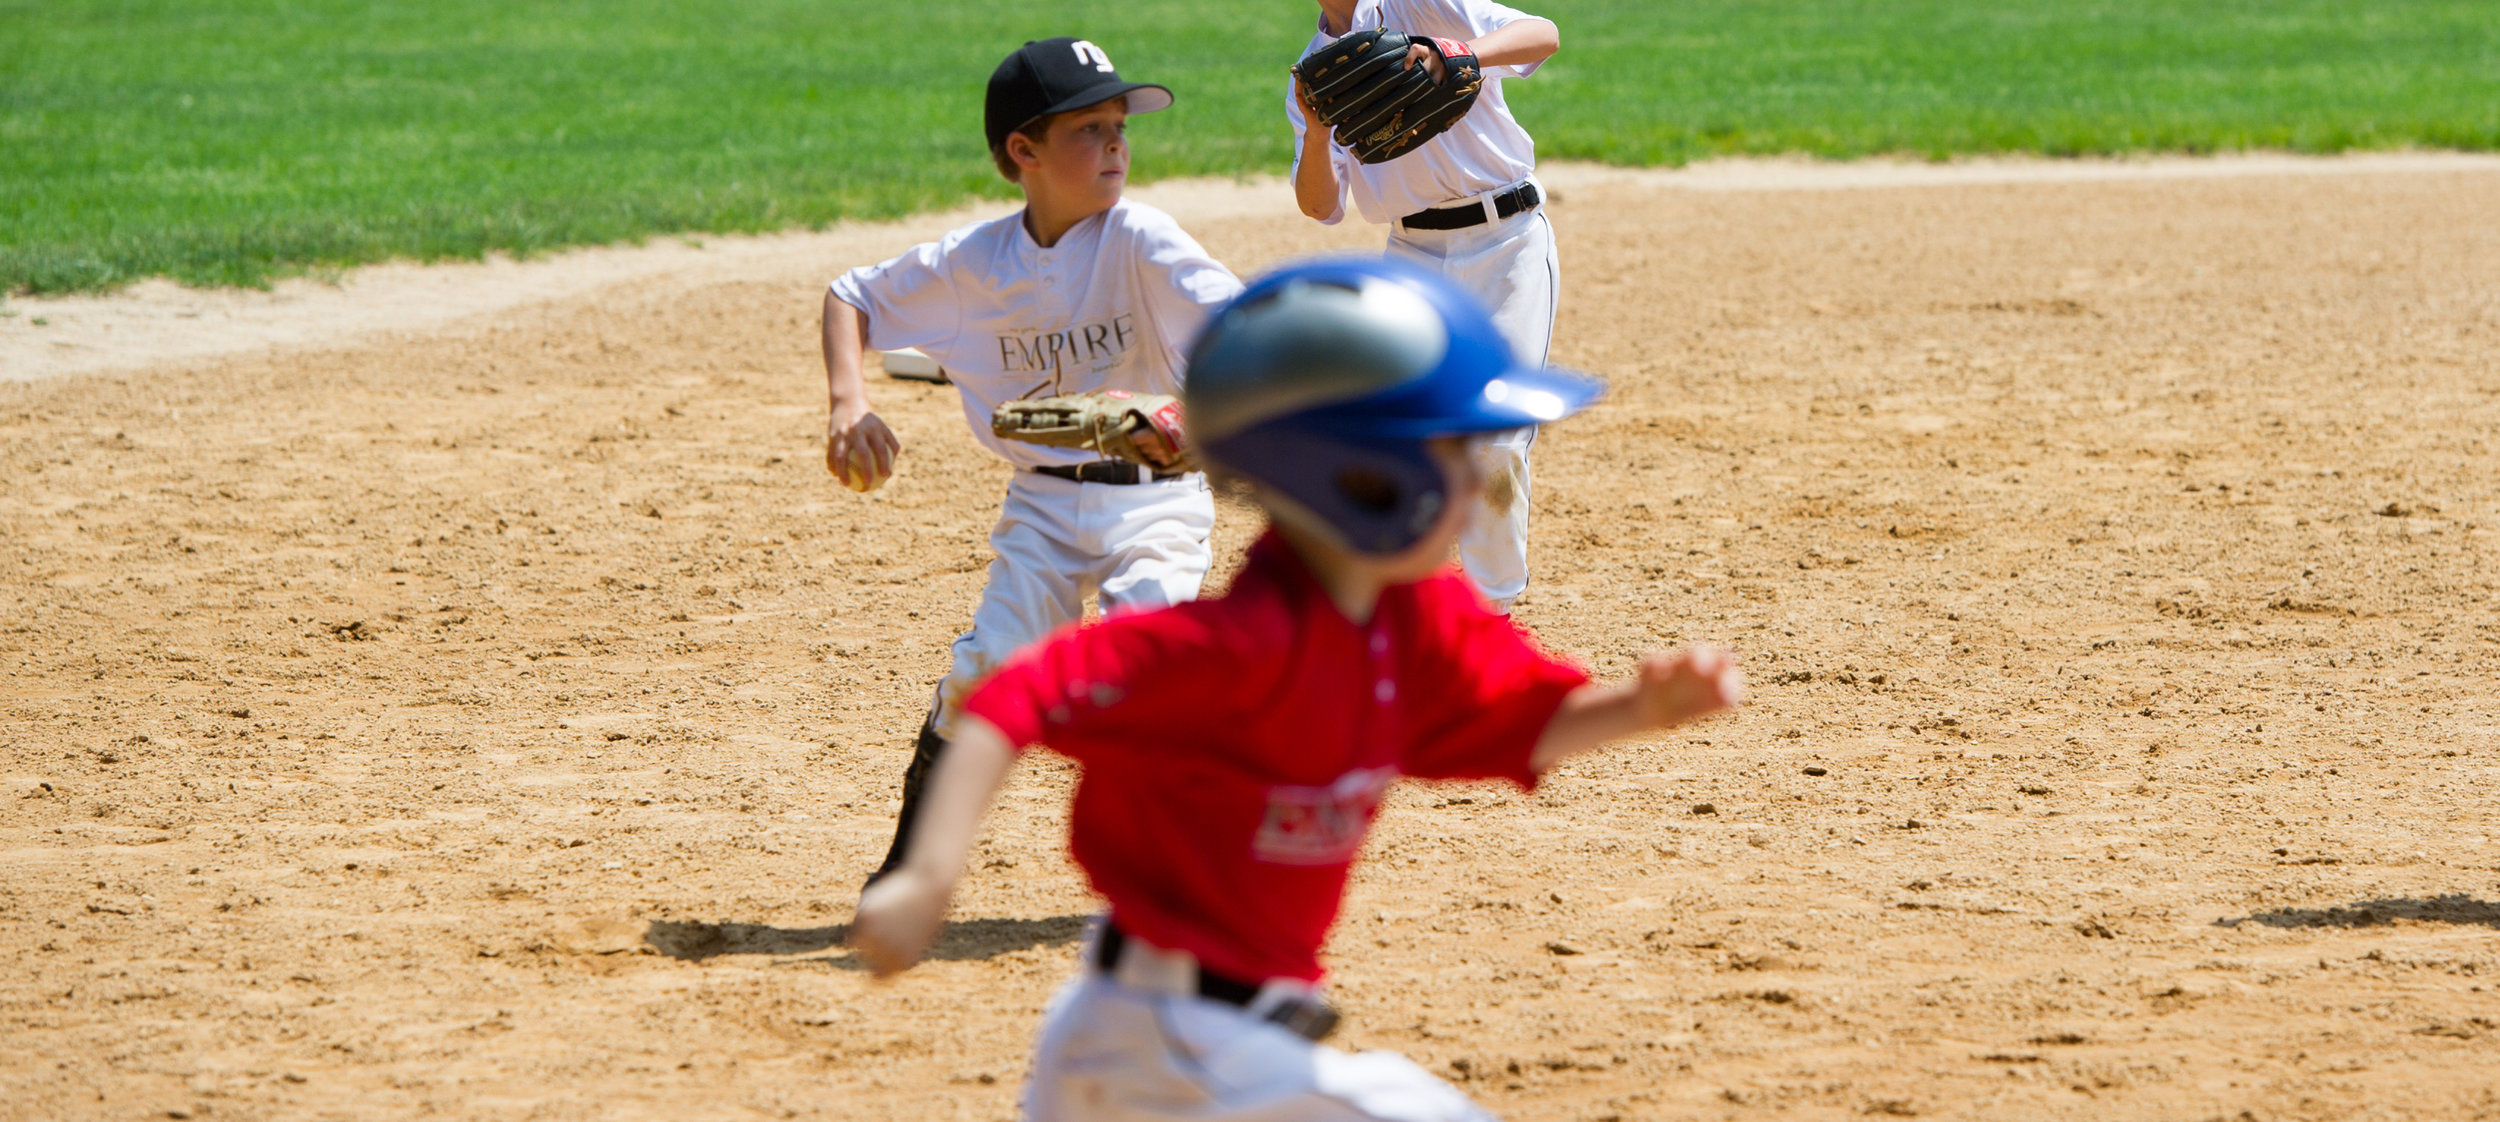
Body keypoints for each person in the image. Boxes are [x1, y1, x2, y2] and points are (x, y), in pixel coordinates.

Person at [850, 258, 1745, 1121]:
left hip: (1212, 1047)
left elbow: (1508, 719)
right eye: (1456, 454)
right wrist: (928, 877)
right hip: (1166, 1047)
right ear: (1363, 481)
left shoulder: (1413, 620)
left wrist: (1640, 709)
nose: (1481, 482)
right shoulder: (1241, 650)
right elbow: (1015, 697)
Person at [822, 37, 1243, 887]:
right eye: (1090, 128)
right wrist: (849, 403)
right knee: (988, 678)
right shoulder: (977, 265)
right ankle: (909, 872)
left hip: (1159, 498)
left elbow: (1247, 328)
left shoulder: (1141, 239)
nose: (1117, 144)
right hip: (1045, 503)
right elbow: (852, 296)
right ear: (1024, 152)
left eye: (1121, 126)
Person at [1287, 0, 1562, 613]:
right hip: (1411, 256)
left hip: (1508, 241)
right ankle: (1411, 608)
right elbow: (1319, 205)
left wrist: (1462, 52)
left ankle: (1496, 614)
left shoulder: (1427, 5)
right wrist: (1315, 130)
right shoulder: (1312, 72)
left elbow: (1543, 35)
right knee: (1408, 440)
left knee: (1493, 435)